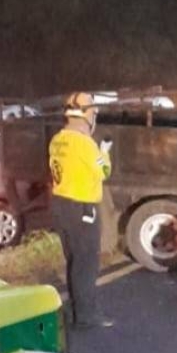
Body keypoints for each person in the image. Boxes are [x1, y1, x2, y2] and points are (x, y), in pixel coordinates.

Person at [49, 92, 113, 329]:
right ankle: (86, 315)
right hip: (83, 207)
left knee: (74, 260)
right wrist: (104, 151)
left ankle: (76, 310)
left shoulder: (57, 139)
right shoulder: (85, 144)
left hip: (60, 204)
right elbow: (103, 172)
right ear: (87, 114)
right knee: (86, 262)